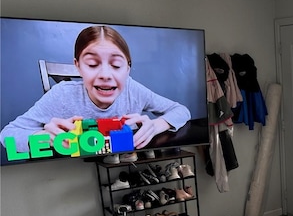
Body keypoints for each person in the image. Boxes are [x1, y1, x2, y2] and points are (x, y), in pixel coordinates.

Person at [0, 25, 191, 153]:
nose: (105, 75)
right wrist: (41, 137)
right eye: (92, 64)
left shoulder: (133, 90)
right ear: (78, 66)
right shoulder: (62, 95)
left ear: (128, 68)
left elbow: (182, 110)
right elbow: (7, 135)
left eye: (116, 65)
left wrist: (156, 126)